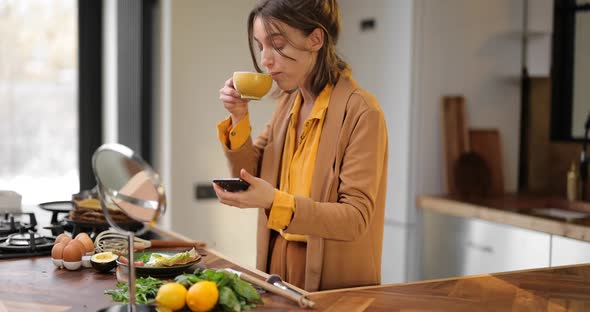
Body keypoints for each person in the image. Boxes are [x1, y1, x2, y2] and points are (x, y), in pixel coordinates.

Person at [213, 0, 388, 291]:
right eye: (261, 47)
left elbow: (355, 218)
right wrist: (239, 116)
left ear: (315, 39)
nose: (266, 60)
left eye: (277, 44)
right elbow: (249, 173)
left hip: (331, 277)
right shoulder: (287, 105)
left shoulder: (362, 111)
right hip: (276, 264)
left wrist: (274, 201)